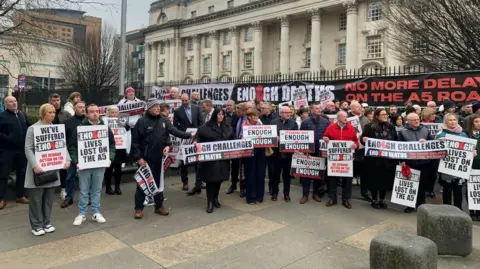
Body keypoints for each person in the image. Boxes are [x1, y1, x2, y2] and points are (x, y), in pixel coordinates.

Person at [131, 98, 192, 219]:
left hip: (159, 158)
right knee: (142, 184)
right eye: (155, 106)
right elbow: (135, 142)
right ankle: (138, 209)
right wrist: (138, 158)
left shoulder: (164, 120)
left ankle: (159, 206)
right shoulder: (142, 121)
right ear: (149, 108)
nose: (158, 108)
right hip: (145, 160)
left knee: (159, 184)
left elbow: (171, 133)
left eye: (159, 106)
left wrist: (170, 144)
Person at [24, 104, 71, 236]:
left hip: (52, 168)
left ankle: (46, 222)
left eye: (53, 112)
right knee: (36, 199)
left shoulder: (56, 129)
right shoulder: (32, 129)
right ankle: (36, 225)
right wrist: (34, 165)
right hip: (38, 170)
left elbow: (62, 145)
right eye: (49, 112)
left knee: (48, 199)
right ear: (42, 114)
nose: (52, 114)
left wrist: (67, 159)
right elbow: (28, 148)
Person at [69, 104, 116, 226]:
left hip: (100, 164)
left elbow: (112, 144)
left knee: (97, 189)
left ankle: (96, 212)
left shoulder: (105, 128)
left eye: (97, 111)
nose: (95, 113)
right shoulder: (80, 128)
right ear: (87, 113)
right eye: (91, 111)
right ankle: (82, 213)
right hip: (84, 165)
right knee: (84, 190)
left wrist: (110, 158)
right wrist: (76, 161)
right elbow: (72, 146)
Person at [195, 108, 234, 213]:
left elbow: (233, 139)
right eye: (219, 114)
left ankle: (215, 198)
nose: (220, 116)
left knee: (219, 179)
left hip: (223, 159)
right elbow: (198, 135)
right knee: (211, 180)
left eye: (222, 114)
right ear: (214, 115)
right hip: (211, 159)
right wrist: (195, 142)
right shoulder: (207, 126)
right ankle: (210, 202)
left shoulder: (227, 127)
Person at [361, 108, 398, 209]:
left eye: (386, 114)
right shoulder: (369, 126)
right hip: (374, 160)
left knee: (384, 181)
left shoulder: (391, 127)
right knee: (374, 180)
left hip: (387, 159)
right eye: (382, 114)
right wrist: (363, 139)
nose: (385, 116)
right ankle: (374, 199)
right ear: (377, 116)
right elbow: (363, 139)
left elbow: (395, 140)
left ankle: (382, 199)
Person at [398, 112, 434, 213]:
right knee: (411, 184)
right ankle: (410, 205)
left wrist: (427, 142)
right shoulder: (402, 132)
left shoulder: (425, 130)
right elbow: (399, 148)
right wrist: (402, 161)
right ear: (408, 121)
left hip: (424, 162)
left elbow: (433, 143)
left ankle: (420, 204)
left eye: (418, 119)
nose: (417, 121)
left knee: (422, 184)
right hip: (411, 162)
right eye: (414, 120)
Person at [323, 111, 359, 209]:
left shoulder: (351, 128)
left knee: (347, 179)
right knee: (332, 179)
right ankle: (332, 198)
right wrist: (325, 139)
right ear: (338, 118)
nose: (346, 118)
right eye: (344, 117)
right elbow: (325, 136)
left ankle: (345, 199)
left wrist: (356, 145)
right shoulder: (331, 127)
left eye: (346, 117)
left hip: (347, 159)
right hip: (334, 158)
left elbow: (356, 140)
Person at [0, 96, 30, 209]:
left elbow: (29, 127)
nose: (13, 103)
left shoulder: (22, 115)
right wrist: (8, 139)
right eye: (10, 102)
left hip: (21, 150)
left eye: (15, 101)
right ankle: (1, 198)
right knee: (3, 174)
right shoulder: (2, 116)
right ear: (5, 104)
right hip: (7, 150)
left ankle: (20, 196)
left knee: (21, 173)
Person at [436, 113, 468, 210]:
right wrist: (439, 143)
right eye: (450, 120)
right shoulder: (440, 134)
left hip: (459, 167)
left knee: (458, 190)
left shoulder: (463, 134)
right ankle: (447, 209)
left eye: (454, 120)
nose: (453, 122)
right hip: (446, 167)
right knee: (447, 189)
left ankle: (458, 209)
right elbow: (435, 152)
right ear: (445, 122)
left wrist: (472, 151)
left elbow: (468, 148)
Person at [299, 103, 330, 204]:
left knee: (318, 172)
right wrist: (304, 150)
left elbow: (328, 135)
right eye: (316, 108)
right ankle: (305, 194)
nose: (319, 110)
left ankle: (316, 193)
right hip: (309, 150)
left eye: (320, 108)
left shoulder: (326, 122)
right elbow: (301, 137)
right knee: (307, 172)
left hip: (320, 150)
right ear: (311, 110)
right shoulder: (305, 122)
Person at [174, 94, 204, 194]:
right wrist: (183, 133)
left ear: (189, 100)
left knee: (198, 160)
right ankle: (185, 182)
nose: (184, 102)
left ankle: (199, 182)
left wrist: (198, 134)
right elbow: (175, 126)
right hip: (185, 137)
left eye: (186, 100)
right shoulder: (178, 111)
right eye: (182, 101)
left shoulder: (197, 108)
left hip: (196, 137)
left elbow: (202, 122)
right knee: (184, 162)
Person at [61, 101, 86, 208]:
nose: (83, 109)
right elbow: (64, 139)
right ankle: (69, 198)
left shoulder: (89, 121)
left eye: (84, 107)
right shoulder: (68, 122)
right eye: (80, 107)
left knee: (85, 177)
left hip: (86, 153)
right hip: (72, 153)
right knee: (70, 176)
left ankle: (85, 197)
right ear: (75, 109)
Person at [270, 106, 298, 202]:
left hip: (288, 155)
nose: (288, 114)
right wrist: (275, 137)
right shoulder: (274, 122)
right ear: (280, 113)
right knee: (275, 176)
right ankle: (274, 193)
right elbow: (269, 136)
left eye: (289, 112)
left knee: (287, 176)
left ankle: (286, 194)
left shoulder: (294, 124)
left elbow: (296, 138)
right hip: (276, 154)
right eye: (286, 112)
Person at [48, 93, 71, 200]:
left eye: (58, 100)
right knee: (50, 167)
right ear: (50, 101)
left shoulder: (66, 114)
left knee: (63, 168)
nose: (56, 102)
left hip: (62, 144)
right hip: (49, 144)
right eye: (54, 100)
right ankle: (49, 190)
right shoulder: (45, 113)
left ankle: (63, 189)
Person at [103, 105, 129, 195]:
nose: (114, 114)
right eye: (112, 112)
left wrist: (126, 126)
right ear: (108, 113)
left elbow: (127, 131)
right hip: (109, 149)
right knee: (109, 169)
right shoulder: (104, 121)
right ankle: (108, 187)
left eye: (115, 112)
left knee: (118, 169)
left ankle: (117, 187)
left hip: (120, 148)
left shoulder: (122, 121)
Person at [242, 110, 267, 204]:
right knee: (250, 174)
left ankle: (260, 196)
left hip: (260, 151)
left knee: (260, 173)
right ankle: (251, 197)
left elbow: (268, 134)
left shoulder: (260, 123)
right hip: (249, 152)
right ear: (249, 117)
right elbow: (241, 137)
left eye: (257, 115)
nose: (257, 117)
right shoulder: (244, 125)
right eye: (254, 116)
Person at [226, 102, 247, 196]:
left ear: (244, 111)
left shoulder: (248, 118)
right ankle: (233, 184)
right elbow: (231, 128)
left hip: (245, 146)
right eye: (237, 110)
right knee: (234, 167)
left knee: (242, 168)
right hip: (235, 144)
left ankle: (243, 187)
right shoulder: (236, 117)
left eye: (239, 111)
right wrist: (235, 138)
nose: (237, 112)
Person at [466, 114, 480, 221]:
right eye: (476, 121)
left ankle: (479, 210)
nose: (479, 124)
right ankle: (471, 210)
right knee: (470, 187)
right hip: (470, 164)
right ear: (472, 123)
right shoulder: (466, 134)